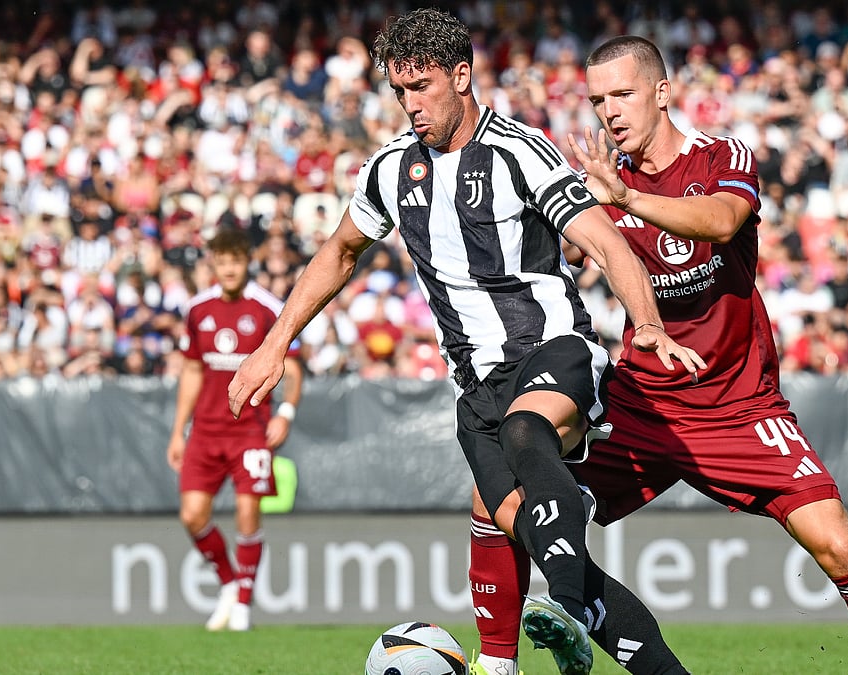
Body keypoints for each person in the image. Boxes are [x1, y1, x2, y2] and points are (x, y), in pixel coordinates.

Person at [229, 10, 702, 675]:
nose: (410, 104)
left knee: (526, 432)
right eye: (399, 90)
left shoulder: (519, 152)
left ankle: (558, 608)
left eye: (421, 86)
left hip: (553, 349)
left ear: (460, 76)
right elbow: (340, 251)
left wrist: (647, 322)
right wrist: (274, 343)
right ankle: (547, 653)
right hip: (476, 386)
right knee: (518, 523)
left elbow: (603, 240)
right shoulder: (391, 168)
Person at [467, 36, 848, 675]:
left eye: (623, 94)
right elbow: (562, 255)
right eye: (598, 101)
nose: (610, 112)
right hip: (642, 406)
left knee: (839, 548)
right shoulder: (601, 182)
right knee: (497, 503)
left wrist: (626, 200)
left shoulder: (721, 156)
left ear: (662, 93)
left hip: (740, 407)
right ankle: (504, 662)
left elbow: (719, 220)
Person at [165, 228, 303, 632]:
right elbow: (192, 370)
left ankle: (242, 604)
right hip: (205, 432)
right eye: (222, 262)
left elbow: (293, 367)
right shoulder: (197, 309)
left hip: (250, 432)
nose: (228, 269)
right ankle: (229, 583)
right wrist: (178, 430)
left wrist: (285, 413)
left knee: (247, 512)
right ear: (213, 263)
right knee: (192, 516)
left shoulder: (268, 308)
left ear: (247, 263)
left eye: (235, 261)